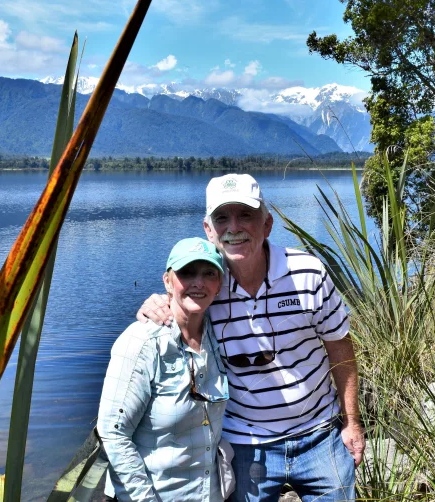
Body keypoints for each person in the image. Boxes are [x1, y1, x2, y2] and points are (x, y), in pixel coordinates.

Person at [138, 174, 364, 502]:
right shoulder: (207, 287)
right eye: (222, 218)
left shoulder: (308, 274)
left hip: (320, 434)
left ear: (267, 223)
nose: (234, 227)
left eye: (245, 215)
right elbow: (173, 304)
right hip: (245, 443)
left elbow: (340, 348)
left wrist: (352, 423)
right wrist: (151, 306)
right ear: (208, 230)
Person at [98, 238, 231, 502]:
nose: (198, 283)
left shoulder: (219, 334)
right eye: (187, 273)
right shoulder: (142, 343)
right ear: (168, 281)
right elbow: (113, 433)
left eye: (209, 273)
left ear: (219, 284)